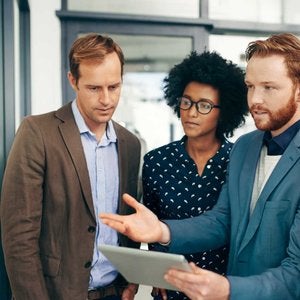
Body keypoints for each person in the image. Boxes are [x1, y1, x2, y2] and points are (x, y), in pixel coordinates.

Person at [100, 32, 300, 300]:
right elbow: (222, 221)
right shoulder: (245, 147)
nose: (254, 100)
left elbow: (295, 273)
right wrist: (162, 231)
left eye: (268, 87)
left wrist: (228, 288)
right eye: (250, 86)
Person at [0, 33, 141, 300]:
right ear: (73, 81)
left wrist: (130, 282)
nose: (106, 99)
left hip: (114, 294)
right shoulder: (37, 133)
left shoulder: (130, 144)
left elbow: (128, 222)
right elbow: (19, 237)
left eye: (114, 87)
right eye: (94, 88)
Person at [142, 51, 247, 300]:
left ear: (224, 112)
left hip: (220, 288)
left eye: (204, 105)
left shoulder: (240, 160)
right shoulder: (157, 161)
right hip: (170, 287)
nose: (191, 112)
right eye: (186, 102)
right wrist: (157, 270)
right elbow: (152, 225)